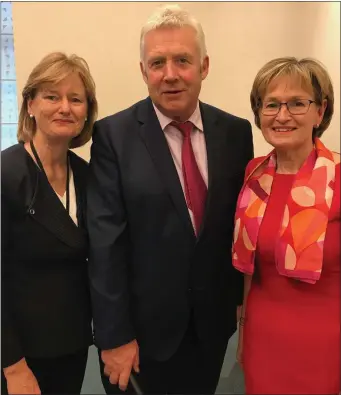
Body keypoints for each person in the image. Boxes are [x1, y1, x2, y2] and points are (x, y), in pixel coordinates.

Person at [87, 4, 253, 394]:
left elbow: (237, 226)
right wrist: (114, 337)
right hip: (139, 341)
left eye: (183, 60)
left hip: (210, 331)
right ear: (143, 71)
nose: (170, 74)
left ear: (205, 66)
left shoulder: (235, 133)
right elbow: (105, 244)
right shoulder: (113, 136)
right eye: (157, 62)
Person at [233, 57, 340, 394]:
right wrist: (243, 328)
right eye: (272, 104)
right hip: (262, 335)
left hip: (326, 341)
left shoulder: (338, 176)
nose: (282, 115)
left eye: (297, 103)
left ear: (319, 112)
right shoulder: (254, 173)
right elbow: (250, 269)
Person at [1, 52, 98, 394]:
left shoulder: (87, 177)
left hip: (71, 345)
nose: (64, 108)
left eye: (75, 99)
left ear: (87, 112)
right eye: (52, 97)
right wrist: (12, 366)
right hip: (18, 355)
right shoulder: (6, 174)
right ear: (29, 105)